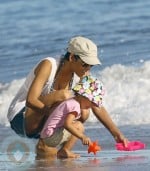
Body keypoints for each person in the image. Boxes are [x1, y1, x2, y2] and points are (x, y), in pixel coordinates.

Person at [7, 36, 101, 139]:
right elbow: (30, 100)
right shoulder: (49, 65)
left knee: (84, 111)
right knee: (63, 95)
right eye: (85, 65)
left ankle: (56, 146)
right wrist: (55, 114)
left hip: (43, 119)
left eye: (90, 66)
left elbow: (95, 103)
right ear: (72, 57)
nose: (87, 70)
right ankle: (45, 141)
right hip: (21, 118)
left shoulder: (80, 75)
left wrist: (116, 134)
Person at [37, 75, 128, 159]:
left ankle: (64, 150)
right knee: (79, 126)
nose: (92, 105)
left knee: (76, 124)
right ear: (83, 96)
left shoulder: (72, 101)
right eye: (91, 102)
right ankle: (65, 150)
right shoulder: (75, 106)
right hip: (50, 137)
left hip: (47, 135)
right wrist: (82, 137)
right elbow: (67, 124)